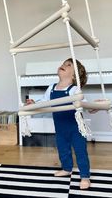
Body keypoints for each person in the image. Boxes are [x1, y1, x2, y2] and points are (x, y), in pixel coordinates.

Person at [26, 58, 91, 190]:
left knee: (80, 151)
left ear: (74, 76)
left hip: (76, 128)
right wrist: (34, 104)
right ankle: (67, 168)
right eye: (63, 63)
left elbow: (83, 102)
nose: (63, 65)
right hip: (60, 128)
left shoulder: (74, 90)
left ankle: (85, 176)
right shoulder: (51, 88)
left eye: (68, 65)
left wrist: (92, 107)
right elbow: (44, 101)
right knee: (63, 149)